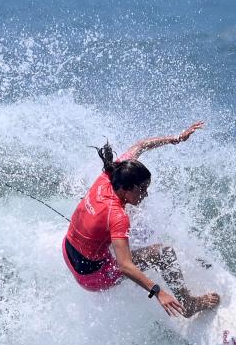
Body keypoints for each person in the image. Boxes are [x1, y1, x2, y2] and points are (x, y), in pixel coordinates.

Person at [62, 121, 220, 318]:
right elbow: (125, 266)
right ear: (126, 188)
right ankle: (188, 303)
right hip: (93, 276)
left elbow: (141, 145)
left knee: (134, 219)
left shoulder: (110, 175)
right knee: (164, 253)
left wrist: (176, 139)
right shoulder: (117, 216)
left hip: (68, 251)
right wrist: (158, 292)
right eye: (141, 190)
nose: (145, 194)